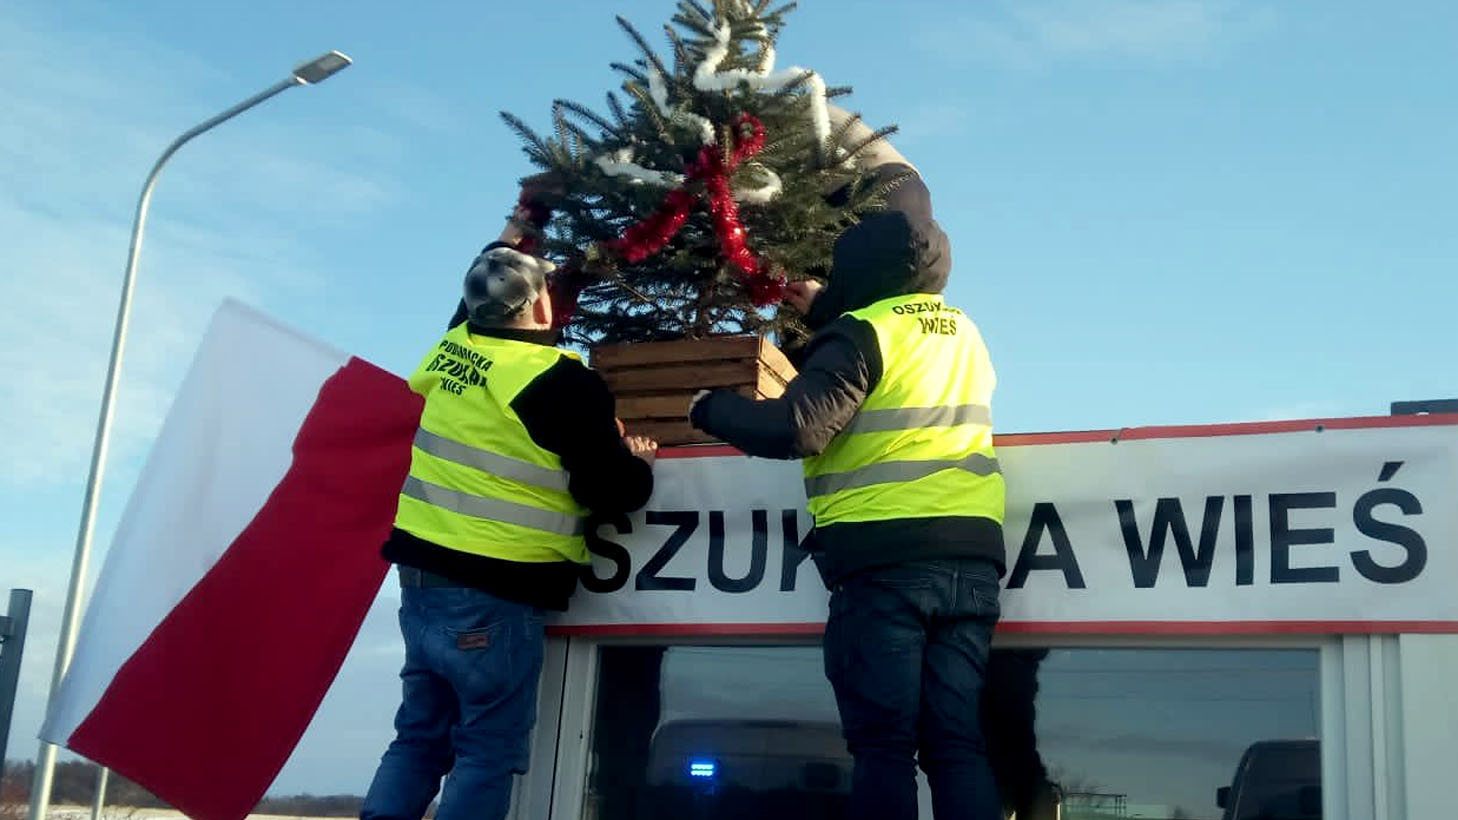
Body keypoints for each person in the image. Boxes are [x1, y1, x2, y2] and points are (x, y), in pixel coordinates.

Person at [688, 166, 1006, 820]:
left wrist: (709, 409)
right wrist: (830, 312)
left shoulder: (861, 334)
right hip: (971, 558)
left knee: (884, 744)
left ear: (857, 266)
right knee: (955, 743)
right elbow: (895, 337)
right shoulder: (963, 330)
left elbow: (798, 426)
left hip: (885, 560)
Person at [361, 191, 658, 820]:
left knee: (418, 738)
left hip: (421, 580)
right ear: (541, 304)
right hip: (498, 591)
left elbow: (487, 276)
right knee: (486, 750)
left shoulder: (450, 352)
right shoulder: (558, 381)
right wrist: (637, 460)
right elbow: (613, 491)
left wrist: (525, 222)